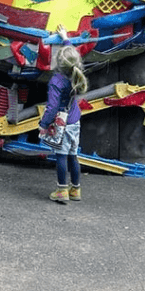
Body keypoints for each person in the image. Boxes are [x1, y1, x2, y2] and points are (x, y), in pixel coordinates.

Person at [38, 41, 89, 204]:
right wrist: (66, 39)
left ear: (58, 62)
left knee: (61, 155)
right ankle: (75, 189)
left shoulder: (56, 81)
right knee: (73, 155)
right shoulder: (76, 72)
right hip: (75, 120)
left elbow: (52, 108)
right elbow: (72, 55)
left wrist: (43, 124)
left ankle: (61, 190)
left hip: (63, 124)